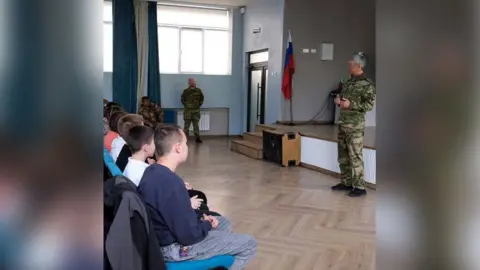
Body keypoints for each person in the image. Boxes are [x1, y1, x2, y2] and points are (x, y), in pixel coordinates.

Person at [138, 125, 256, 269]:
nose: (187, 147)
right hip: (174, 249)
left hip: (161, 239)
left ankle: (219, 259)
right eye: (186, 143)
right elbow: (188, 236)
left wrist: (201, 220)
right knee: (249, 244)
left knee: (223, 223)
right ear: (178, 148)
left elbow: (176, 216)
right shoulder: (172, 184)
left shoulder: (152, 171)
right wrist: (205, 224)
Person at [125, 125, 217, 215]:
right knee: (204, 205)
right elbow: (163, 204)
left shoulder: (139, 168)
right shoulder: (144, 172)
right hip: (167, 217)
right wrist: (188, 204)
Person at [331, 53, 376, 197]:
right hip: (343, 124)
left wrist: (351, 104)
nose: (349, 65)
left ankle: (359, 187)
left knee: (355, 156)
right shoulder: (348, 83)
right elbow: (345, 99)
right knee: (343, 156)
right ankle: (346, 182)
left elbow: (369, 105)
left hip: (355, 127)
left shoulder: (367, 84)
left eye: (351, 63)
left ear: (359, 66)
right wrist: (339, 100)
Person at [181, 78, 204, 143]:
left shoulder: (199, 91)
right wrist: (187, 105)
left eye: (193, 82)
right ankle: (184, 139)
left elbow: (202, 99)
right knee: (186, 126)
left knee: (196, 125)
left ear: (195, 82)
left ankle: (197, 138)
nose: (192, 83)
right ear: (188, 83)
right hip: (187, 112)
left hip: (196, 112)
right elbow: (182, 99)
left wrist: (197, 105)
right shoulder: (185, 91)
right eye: (191, 82)